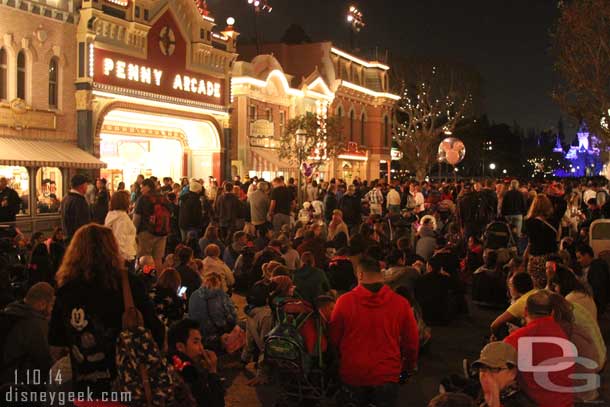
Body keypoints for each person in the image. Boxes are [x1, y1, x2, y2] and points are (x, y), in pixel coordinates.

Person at [48, 224, 163, 396]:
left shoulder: (67, 291)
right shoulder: (129, 284)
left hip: (86, 389)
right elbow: (156, 332)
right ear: (112, 249)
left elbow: (56, 342)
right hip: (129, 386)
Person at [330, 256, 419, 407]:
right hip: (387, 374)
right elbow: (411, 343)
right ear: (381, 275)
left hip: (353, 372)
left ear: (360, 275)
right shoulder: (401, 304)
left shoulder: (344, 302)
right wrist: (407, 370)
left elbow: (334, 338)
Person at [503, 290, 574, 407]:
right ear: (552, 313)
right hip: (566, 401)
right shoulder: (561, 332)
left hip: (537, 402)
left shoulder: (516, 339)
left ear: (525, 311)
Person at [0, 282, 55, 385]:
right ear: (42, 304)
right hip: (18, 384)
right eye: (51, 305)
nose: (52, 310)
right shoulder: (35, 324)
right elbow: (45, 360)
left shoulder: (12, 310)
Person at [167, 318, 225, 407]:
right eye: (195, 342)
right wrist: (213, 371)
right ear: (180, 347)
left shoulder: (169, 363)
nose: (201, 348)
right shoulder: (188, 372)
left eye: (201, 342)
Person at [472, 342, 536, 407]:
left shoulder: (522, 403)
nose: (485, 375)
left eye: (494, 369)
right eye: (482, 369)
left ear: (512, 373)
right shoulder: (474, 394)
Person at [188, 272, 237, 352]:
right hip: (216, 337)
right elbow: (231, 319)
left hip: (197, 334)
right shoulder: (220, 296)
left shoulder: (194, 295)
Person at [133, 178, 170, 271]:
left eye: (142, 187)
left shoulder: (142, 199)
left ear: (148, 187)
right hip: (162, 233)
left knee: (145, 259)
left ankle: (146, 280)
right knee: (158, 260)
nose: (141, 190)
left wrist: (134, 232)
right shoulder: (163, 198)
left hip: (146, 232)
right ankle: (159, 281)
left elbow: (137, 218)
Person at [523, 194, 557, 288]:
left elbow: (530, 242)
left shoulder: (529, 222)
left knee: (536, 285)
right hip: (552, 256)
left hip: (537, 257)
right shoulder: (554, 221)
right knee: (551, 284)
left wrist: (524, 257)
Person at [490, 272, 536, 338]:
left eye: (510, 286)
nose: (509, 289)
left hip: (531, 336)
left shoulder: (521, 302)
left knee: (503, 327)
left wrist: (495, 336)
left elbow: (494, 325)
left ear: (516, 288)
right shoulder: (537, 291)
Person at [415, 255, 455, 326]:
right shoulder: (445, 279)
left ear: (429, 267)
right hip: (443, 315)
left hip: (426, 315)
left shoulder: (421, 279)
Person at [105, 191, 137, 266]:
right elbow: (119, 239)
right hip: (125, 256)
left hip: (115, 254)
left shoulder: (111, 215)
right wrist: (122, 257)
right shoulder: (122, 218)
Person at [575, 244, 610, 314]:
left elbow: (599, 291)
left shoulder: (597, 268)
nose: (578, 260)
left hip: (594, 305)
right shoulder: (585, 267)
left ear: (587, 255)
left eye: (579, 257)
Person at [60, 174, 91, 242]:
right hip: (77, 239)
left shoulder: (65, 198)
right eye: (86, 184)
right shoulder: (79, 201)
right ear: (81, 186)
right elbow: (82, 223)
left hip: (67, 236)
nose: (87, 187)